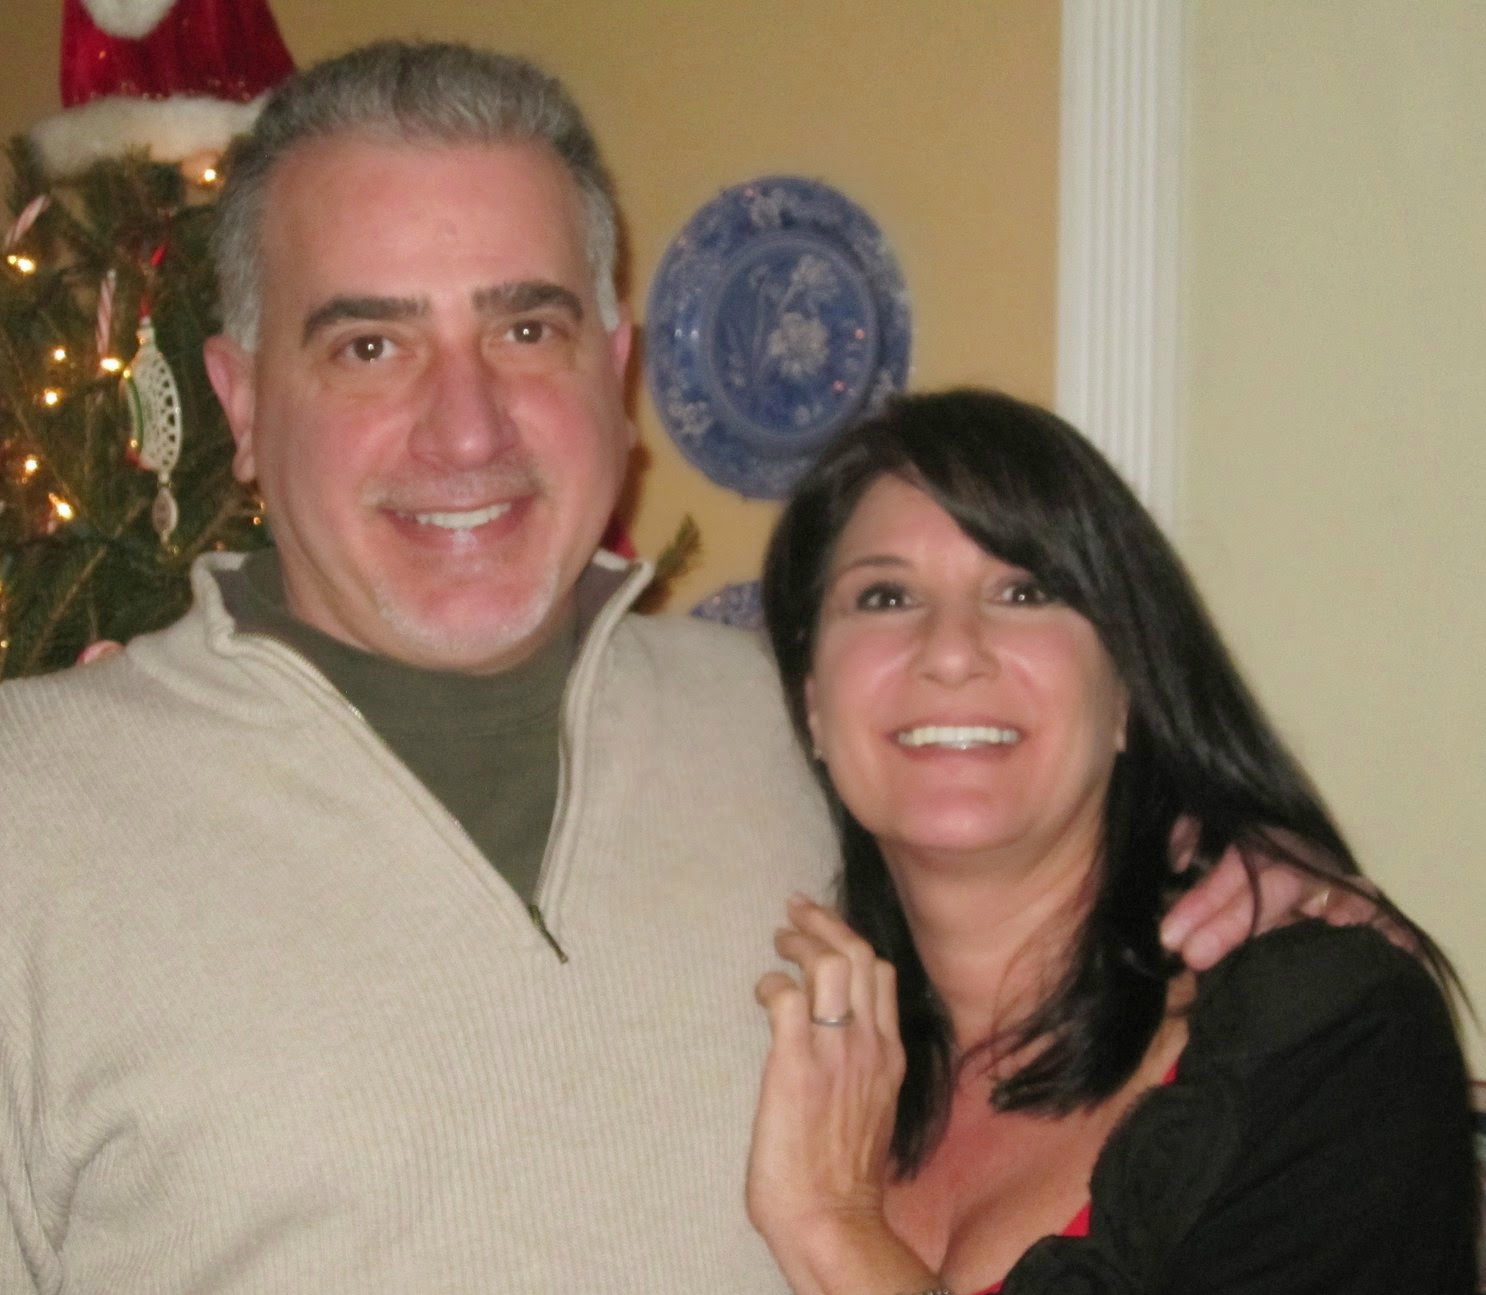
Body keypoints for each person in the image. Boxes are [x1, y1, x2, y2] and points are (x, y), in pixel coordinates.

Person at [0, 42, 1371, 1293]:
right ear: (241, 404)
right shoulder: (36, 812)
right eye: (370, 344)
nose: (465, 428)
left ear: (614, 370)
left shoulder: (805, 731)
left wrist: (1234, 865)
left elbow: (1046, 865)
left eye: (524, 330)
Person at [746, 388, 1479, 1293]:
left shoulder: (1326, 1041)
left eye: (1024, 589)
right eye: (885, 595)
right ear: (814, 704)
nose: (951, 651)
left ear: (1128, 686)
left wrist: (832, 1229)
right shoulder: (785, 1065)